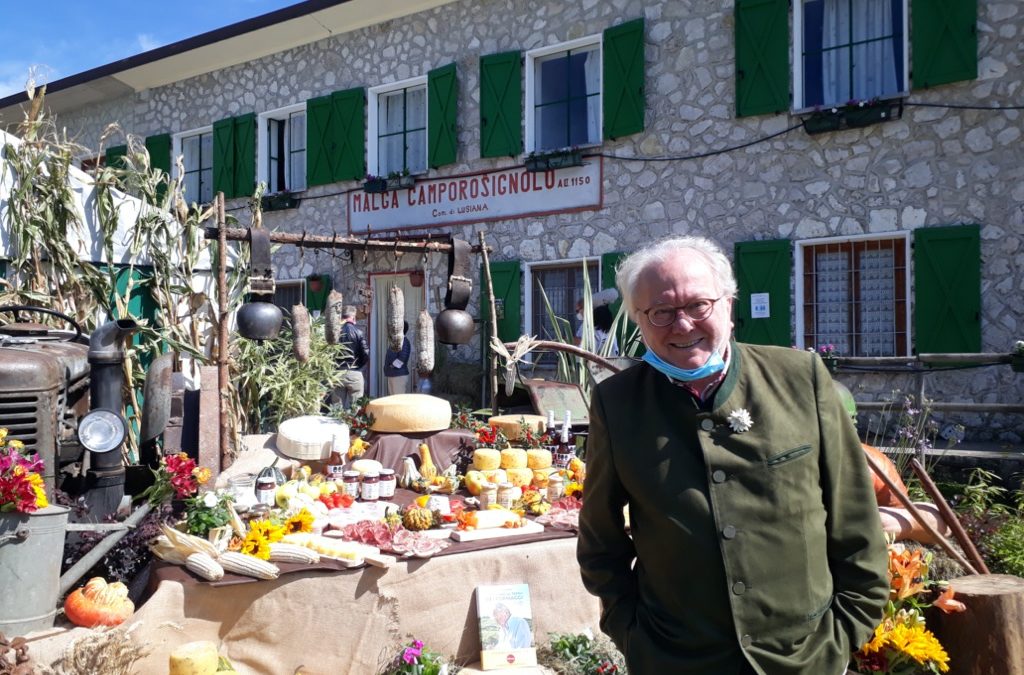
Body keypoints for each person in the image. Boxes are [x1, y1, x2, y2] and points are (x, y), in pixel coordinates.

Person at [576, 236, 888, 674]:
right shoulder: (617, 402)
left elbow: (856, 518)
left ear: (728, 303)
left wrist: (845, 631)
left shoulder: (801, 379)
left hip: (805, 657)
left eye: (698, 305)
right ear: (638, 321)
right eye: (661, 312)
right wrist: (632, 633)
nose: (682, 326)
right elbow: (599, 541)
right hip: (678, 660)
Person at [333, 305, 369, 409]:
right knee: (356, 408)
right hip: (354, 373)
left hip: (337, 373)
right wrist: (358, 366)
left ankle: (338, 424)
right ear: (353, 317)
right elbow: (366, 353)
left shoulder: (335, 332)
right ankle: (354, 425)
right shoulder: (358, 332)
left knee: (337, 408)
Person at [383, 321, 411, 395]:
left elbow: (403, 357)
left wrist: (392, 366)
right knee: (393, 399)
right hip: (392, 374)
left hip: (399, 375)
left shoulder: (404, 341)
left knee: (398, 400)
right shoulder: (396, 341)